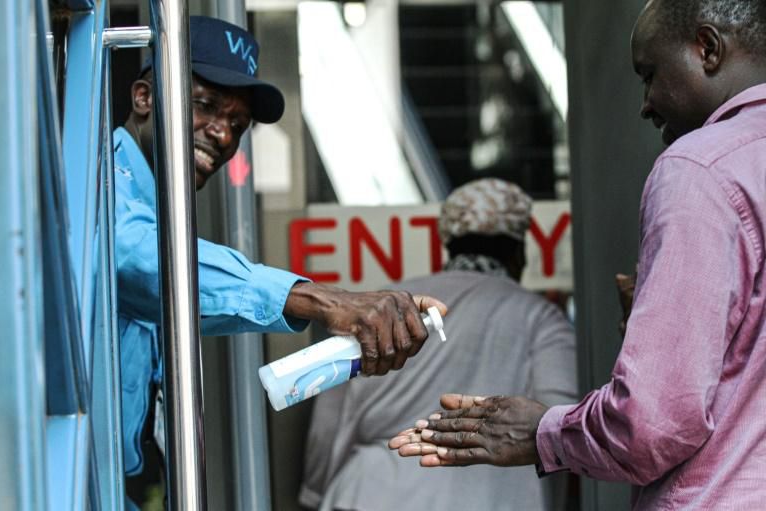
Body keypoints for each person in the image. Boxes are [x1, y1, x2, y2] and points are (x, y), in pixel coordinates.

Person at [389, 0, 766, 508]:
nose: (646, 103)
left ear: (708, 48)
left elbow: (651, 422)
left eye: (649, 75)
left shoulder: (698, 169)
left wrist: (538, 432)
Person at [114, 16, 446, 508]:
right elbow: (134, 259)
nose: (222, 134)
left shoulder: (153, 204)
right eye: (204, 106)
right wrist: (325, 300)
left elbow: (179, 295)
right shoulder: (102, 178)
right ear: (145, 97)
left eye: (237, 124)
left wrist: (322, 307)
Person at [299, 179, 578, 511]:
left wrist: (314, 495)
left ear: (449, 244)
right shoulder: (539, 317)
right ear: (519, 251)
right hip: (492, 497)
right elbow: (559, 423)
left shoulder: (384, 304)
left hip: (370, 494)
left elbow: (329, 419)